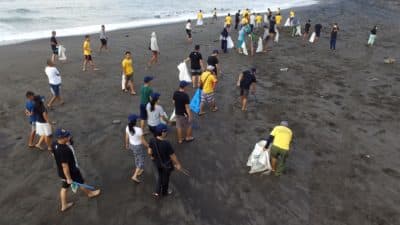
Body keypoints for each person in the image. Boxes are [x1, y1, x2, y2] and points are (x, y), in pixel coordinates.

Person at [52, 128, 101, 212]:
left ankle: (64, 205)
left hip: (61, 172)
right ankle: (90, 193)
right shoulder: (64, 150)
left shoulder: (54, 144)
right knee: (81, 182)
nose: (68, 136)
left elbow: (53, 154)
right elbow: (65, 166)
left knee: (64, 187)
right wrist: (69, 178)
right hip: (71, 171)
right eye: (66, 136)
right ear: (60, 138)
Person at [148, 124, 184, 198]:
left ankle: (157, 192)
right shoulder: (166, 143)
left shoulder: (152, 140)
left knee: (160, 175)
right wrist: (178, 164)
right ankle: (165, 192)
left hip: (157, 163)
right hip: (166, 165)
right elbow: (172, 156)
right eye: (166, 131)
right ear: (162, 132)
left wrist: (152, 157)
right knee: (166, 178)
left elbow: (149, 151)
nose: (167, 132)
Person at [125, 114, 149, 183]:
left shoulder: (127, 127)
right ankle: (135, 175)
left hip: (132, 145)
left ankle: (140, 169)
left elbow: (126, 137)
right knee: (141, 159)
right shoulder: (139, 130)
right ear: (135, 122)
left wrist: (126, 144)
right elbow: (143, 141)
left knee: (136, 157)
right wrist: (148, 146)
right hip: (138, 146)